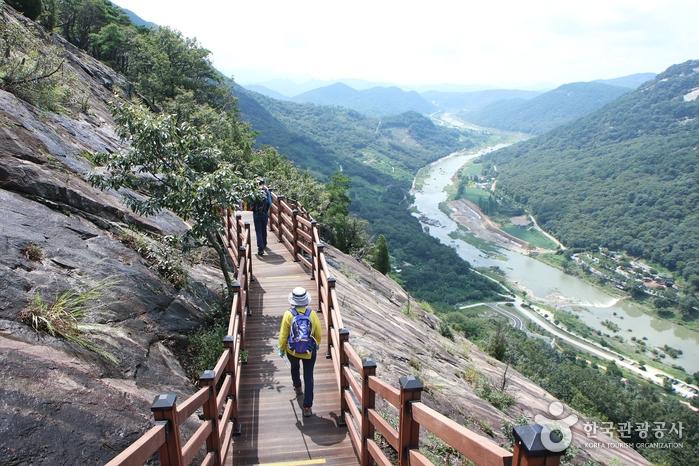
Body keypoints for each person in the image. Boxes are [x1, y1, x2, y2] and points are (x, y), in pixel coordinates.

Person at [277, 287, 322, 417]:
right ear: (305, 300)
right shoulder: (312, 313)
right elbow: (318, 333)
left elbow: (283, 334)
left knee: (294, 368)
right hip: (309, 351)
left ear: (293, 301)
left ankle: (297, 388)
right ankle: (307, 407)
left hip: (292, 351)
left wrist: (281, 348)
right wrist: (316, 344)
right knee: (309, 376)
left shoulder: (288, 314)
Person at [251, 178, 272, 255]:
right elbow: (270, 203)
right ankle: (264, 243)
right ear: (264, 183)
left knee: (258, 231)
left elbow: (251, 203)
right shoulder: (266, 192)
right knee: (264, 229)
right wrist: (266, 211)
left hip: (256, 214)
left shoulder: (254, 192)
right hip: (264, 214)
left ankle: (261, 248)